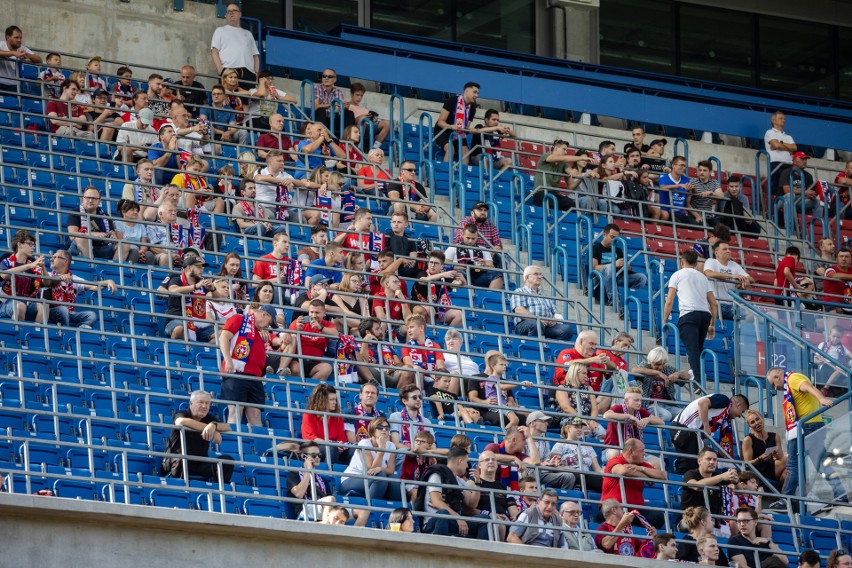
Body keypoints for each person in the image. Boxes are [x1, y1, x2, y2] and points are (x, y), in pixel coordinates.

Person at [764, 367, 846, 501]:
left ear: (777, 376)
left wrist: (822, 399)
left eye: (773, 382)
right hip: (812, 425)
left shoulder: (792, 378)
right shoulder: (789, 383)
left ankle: (786, 500)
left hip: (805, 427)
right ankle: (840, 493)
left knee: (793, 465)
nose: (774, 386)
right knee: (820, 463)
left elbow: (808, 387)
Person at [219, 304, 279, 427]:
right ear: (264, 314)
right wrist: (228, 360)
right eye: (270, 322)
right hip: (236, 373)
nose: (269, 326)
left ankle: (258, 445)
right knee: (236, 411)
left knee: (255, 415)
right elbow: (224, 337)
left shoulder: (258, 332)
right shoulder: (239, 319)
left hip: (255, 378)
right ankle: (235, 443)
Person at [663, 248, 718, 383]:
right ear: (695, 263)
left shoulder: (677, 275)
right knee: (698, 349)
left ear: (682, 262)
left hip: (688, 315)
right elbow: (714, 304)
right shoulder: (703, 277)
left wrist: (665, 321)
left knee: (692, 350)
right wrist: (712, 324)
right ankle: (696, 375)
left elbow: (669, 301)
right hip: (705, 315)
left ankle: (698, 380)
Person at [160, 390, 233, 483]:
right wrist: (212, 431)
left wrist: (214, 425)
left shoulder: (209, 419)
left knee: (227, 461)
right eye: (201, 402)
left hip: (199, 463)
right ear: (191, 403)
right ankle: (178, 491)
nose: (204, 406)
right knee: (182, 458)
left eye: (207, 403)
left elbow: (228, 427)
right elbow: (181, 421)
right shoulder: (182, 414)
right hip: (176, 461)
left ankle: (221, 493)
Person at [417, 446, 488, 539]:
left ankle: (479, 553)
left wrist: (478, 483)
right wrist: (458, 517)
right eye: (466, 462)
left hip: (453, 521)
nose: (467, 466)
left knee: (484, 520)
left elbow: (471, 504)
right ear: (460, 461)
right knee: (443, 513)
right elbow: (436, 502)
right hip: (435, 522)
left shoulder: (460, 481)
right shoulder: (437, 475)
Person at [671, 393, 750, 474]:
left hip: (689, 431)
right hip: (683, 428)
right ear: (738, 405)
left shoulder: (724, 411)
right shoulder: (724, 400)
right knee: (690, 465)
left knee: (695, 465)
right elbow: (702, 403)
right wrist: (706, 426)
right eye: (742, 411)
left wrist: (707, 448)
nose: (740, 415)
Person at [600, 438, 667, 528]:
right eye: (641, 451)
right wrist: (647, 476)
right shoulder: (615, 461)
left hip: (635, 511)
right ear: (631, 451)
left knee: (658, 517)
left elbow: (663, 475)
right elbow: (623, 471)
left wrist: (642, 469)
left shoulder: (641, 464)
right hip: (613, 509)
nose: (644, 454)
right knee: (615, 514)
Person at [43, 250, 117, 328]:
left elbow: (93, 286)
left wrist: (108, 281)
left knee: (91, 315)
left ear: (65, 262)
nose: (51, 259)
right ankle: (66, 333)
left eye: (55, 257)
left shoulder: (74, 279)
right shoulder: (48, 275)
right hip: (51, 311)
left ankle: (79, 330)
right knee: (63, 310)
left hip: (70, 313)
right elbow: (47, 282)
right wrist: (59, 278)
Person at [340, 416, 400, 501]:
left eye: (387, 428)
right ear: (372, 429)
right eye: (380, 427)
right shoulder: (364, 443)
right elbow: (370, 470)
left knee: (394, 478)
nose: (384, 430)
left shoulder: (391, 445)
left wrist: (380, 468)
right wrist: (381, 449)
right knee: (379, 476)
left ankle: (394, 510)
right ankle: (371, 510)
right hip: (352, 479)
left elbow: (391, 470)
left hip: (374, 479)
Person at [510, 265, 576, 341]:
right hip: (526, 323)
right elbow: (519, 310)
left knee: (566, 329)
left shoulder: (545, 295)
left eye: (540, 274)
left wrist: (554, 320)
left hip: (547, 326)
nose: (539, 277)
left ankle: (554, 350)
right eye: (536, 274)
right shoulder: (519, 292)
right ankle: (534, 348)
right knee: (536, 325)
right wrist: (538, 319)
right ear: (527, 278)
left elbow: (556, 313)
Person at [280, 299, 337, 380]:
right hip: (297, 359)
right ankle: (299, 389)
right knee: (295, 368)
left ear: (324, 313)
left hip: (314, 363)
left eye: (317, 313)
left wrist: (321, 328)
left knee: (327, 368)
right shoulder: (299, 322)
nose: (313, 316)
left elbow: (335, 334)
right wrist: (298, 330)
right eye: (311, 312)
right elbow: (288, 339)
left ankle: (310, 389)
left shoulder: (327, 325)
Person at [467, 351, 526, 429]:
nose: (503, 366)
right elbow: (472, 398)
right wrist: (485, 402)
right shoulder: (476, 377)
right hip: (485, 410)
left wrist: (510, 402)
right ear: (490, 362)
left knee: (524, 418)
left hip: (503, 406)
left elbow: (510, 398)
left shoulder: (504, 381)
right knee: (503, 418)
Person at [592, 223, 648, 306]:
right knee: (609, 268)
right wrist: (614, 264)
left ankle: (629, 302)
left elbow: (625, 267)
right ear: (604, 235)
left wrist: (628, 267)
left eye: (616, 238)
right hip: (601, 278)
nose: (614, 240)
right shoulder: (595, 248)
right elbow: (595, 268)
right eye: (612, 237)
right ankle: (614, 301)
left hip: (617, 276)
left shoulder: (618, 250)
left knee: (642, 278)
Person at [164, 256, 215, 342]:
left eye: (203, 267)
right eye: (199, 267)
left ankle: (202, 352)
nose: (202, 269)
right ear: (189, 267)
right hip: (177, 319)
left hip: (198, 323)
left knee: (221, 334)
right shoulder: (177, 279)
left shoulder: (202, 283)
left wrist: (212, 288)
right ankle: (174, 353)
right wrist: (195, 287)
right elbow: (173, 290)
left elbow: (212, 297)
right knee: (180, 329)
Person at [602, 387, 664, 458]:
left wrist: (648, 419)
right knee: (615, 453)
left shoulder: (641, 411)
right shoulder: (618, 408)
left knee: (657, 462)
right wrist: (629, 416)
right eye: (636, 400)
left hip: (634, 451)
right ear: (626, 401)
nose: (639, 403)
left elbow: (661, 422)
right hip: (614, 448)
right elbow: (606, 415)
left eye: (640, 400)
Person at [631, 346, 689, 422]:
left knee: (685, 414)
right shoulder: (645, 365)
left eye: (663, 364)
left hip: (667, 404)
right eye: (657, 364)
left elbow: (688, 376)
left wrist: (678, 374)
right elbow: (634, 370)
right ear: (650, 362)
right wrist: (657, 373)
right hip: (648, 404)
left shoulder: (667, 368)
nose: (661, 367)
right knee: (666, 415)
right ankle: (644, 423)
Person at [532, 139, 592, 209]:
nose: (566, 152)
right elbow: (563, 159)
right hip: (540, 192)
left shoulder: (564, 163)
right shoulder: (546, 155)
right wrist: (582, 158)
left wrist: (573, 171)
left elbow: (569, 170)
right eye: (564, 149)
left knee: (571, 205)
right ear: (556, 148)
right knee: (551, 203)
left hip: (554, 194)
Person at [0, 230, 45, 323]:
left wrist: (43, 267)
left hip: (27, 301)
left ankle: (36, 334)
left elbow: (47, 283)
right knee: (20, 306)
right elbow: (4, 275)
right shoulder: (6, 261)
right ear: (19, 244)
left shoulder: (33, 265)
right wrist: (29, 266)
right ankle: (17, 334)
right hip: (6, 302)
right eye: (30, 244)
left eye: (33, 245)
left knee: (43, 306)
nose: (33, 248)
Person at [211, 3, 259, 89]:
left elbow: (255, 56)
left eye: (234, 11)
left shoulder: (248, 33)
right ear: (226, 15)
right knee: (228, 99)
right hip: (229, 71)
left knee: (246, 101)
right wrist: (222, 71)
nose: (231, 13)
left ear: (240, 14)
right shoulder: (220, 31)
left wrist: (256, 73)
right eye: (228, 11)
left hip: (248, 73)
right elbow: (214, 52)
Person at [550, 416, 605, 492]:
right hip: (571, 474)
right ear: (567, 428)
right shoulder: (560, 445)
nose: (580, 430)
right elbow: (554, 466)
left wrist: (607, 475)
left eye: (581, 427)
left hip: (587, 476)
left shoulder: (587, 446)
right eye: (576, 427)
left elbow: (597, 468)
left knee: (606, 481)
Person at [680, 447, 739, 516]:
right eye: (709, 459)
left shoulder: (718, 476)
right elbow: (697, 486)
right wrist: (722, 476)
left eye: (715, 460)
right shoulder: (690, 474)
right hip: (691, 518)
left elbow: (739, 493)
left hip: (712, 520)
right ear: (699, 461)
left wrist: (736, 482)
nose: (712, 462)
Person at [286, 441, 336, 522]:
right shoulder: (294, 474)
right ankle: (325, 525)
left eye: (319, 455)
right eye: (313, 455)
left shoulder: (323, 480)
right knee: (330, 499)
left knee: (362, 510)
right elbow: (299, 494)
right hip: (304, 509)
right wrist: (308, 471)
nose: (317, 457)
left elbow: (330, 503)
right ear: (303, 456)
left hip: (321, 509)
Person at [704, 241, 755, 320]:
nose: (728, 251)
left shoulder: (734, 265)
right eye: (724, 249)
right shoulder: (711, 261)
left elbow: (751, 279)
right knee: (752, 315)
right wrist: (732, 276)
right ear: (716, 253)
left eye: (729, 249)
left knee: (755, 314)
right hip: (717, 303)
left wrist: (743, 280)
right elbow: (708, 273)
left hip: (733, 304)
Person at [67, 187, 121, 260]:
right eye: (87, 197)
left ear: (99, 201)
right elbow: (72, 235)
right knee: (82, 238)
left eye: (94, 198)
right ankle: (89, 267)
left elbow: (112, 233)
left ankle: (113, 268)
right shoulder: (75, 213)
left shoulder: (105, 215)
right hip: (80, 247)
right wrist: (92, 234)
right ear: (83, 199)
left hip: (102, 247)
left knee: (124, 244)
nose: (90, 200)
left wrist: (111, 236)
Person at [444, 223, 504, 289]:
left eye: (473, 238)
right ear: (462, 235)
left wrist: (484, 266)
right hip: (462, 274)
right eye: (468, 238)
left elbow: (491, 267)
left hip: (479, 276)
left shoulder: (483, 250)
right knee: (459, 275)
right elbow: (445, 266)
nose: (470, 241)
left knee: (497, 275)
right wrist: (460, 267)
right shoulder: (453, 248)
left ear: (477, 237)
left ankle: (488, 297)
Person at [434, 82, 479, 164]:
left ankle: (463, 176)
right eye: (474, 92)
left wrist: (470, 130)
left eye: (477, 93)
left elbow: (465, 129)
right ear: (466, 91)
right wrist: (451, 126)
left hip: (459, 133)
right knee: (451, 149)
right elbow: (440, 122)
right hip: (444, 130)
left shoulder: (472, 108)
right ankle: (446, 173)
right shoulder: (452, 100)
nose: (477, 95)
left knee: (466, 152)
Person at [741, 409, 787, 488]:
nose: (756, 423)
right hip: (758, 471)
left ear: (762, 418)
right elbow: (747, 464)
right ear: (749, 426)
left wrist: (776, 455)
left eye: (757, 419)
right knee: (790, 459)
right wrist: (760, 458)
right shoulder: (748, 439)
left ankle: (784, 498)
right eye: (752, 422)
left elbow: (780, 457)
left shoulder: (775, 436)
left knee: (787, 473)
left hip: (773, 467)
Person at [452, 201, 503, 267]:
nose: (483, 212)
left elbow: (499, 245)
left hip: (486, 255)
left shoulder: (491, 226)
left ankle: (499, 277)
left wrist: (491, 252)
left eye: (485, 210)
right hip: (468, 251)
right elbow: (460, 240)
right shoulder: (466, 222)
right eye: (480, 210)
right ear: (472, 213)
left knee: (500, 257)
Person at [389, 384, 434, 456]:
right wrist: (414, 452)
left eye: (420, 397)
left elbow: (432, 445)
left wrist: (430, 454)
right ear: (404, 401)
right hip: (403, 456)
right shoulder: (395, 417)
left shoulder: (426, 422)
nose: (418, 399)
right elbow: (395, 443)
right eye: (414, 397)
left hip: (423, 456)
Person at [658, 156, 700, 225]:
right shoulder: (664, 177)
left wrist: (693, 189)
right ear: (673, 165)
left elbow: (687, 202)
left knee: (698, 225)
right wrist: (679, 185)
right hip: (667, 211)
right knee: (679, 224)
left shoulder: (686, 179)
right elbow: (662, 187)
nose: (683, 168)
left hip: (680, 213)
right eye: (681, 165)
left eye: (684, 166)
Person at [0, 25, 41, 92]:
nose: (19, 40)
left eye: (20, 38)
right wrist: (13, 53)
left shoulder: (22, 48)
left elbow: (39, 60)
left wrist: (28, 55)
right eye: (16, 37)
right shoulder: (1, 45)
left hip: (14, 85)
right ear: (8, 37)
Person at [778, 152, 820, 217]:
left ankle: (818, 224)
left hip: (799, 202)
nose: (805, 161)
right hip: (784, 201)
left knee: (816, 201)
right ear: (794, 161)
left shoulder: (808, 176)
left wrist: (811, 195)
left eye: (806, 159)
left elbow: (809, 193)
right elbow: (787, 191)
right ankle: (790, 225)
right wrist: (804, 192)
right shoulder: (786, 172)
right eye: (802, 159)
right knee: (790, 195)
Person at [764, 111, 796, 195]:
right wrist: (787, 148)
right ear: (773, 120)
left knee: (788, 188)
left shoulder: (788, 136)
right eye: (781, 118)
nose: (783, 120)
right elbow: (776, 145)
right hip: (776, 163)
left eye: (784, 119)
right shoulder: (770, 132)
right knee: (777, 188)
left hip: (789, 164)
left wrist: (781, 143)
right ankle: (776, 206)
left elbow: (794, 148)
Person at [822, 250, 852, 314]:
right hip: (833, 302)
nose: (844, 259)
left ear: (851, 260)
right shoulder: (831, 269)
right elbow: (833, 275)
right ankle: (832, 324)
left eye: (847, 257)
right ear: (836, 259)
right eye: (841, 256)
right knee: (833, 308)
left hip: (849, 303)